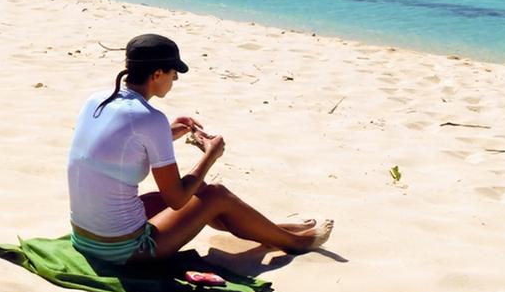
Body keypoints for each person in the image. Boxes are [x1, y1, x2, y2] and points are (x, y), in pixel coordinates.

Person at [67, 33, 330, 266]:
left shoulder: (97, 100)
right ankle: (296, 243)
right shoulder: (150, 118)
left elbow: (118, 147)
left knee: (200, 193)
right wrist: (210, 155)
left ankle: (272, 231)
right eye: (173, 73)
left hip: (83, 236)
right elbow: (177, 200)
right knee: (215, 194)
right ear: (157, 74)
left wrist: (168, 134)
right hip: (125, 251)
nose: (175, 78)